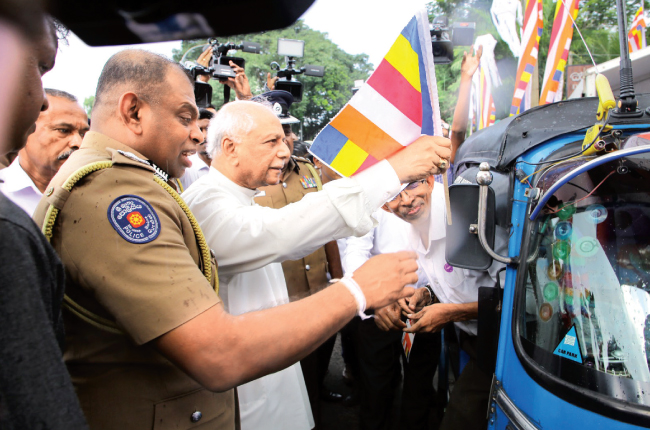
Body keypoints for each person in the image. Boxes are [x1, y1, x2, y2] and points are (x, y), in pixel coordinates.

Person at [33, 48, 428, 430]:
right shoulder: (135, 193)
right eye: (185, 116)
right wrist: (358, 289)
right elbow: (277, 235)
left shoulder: (169, 187)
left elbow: (288, 230)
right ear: (134, 111)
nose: (194, 133)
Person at [182, 98, 451, 430]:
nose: (285, 150)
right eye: (272, 141)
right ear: (230, 147)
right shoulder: (206, 200)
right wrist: (393, 173)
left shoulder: (239, 199)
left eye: (284, 139)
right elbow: (281, 231)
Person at [0, 9, 88, 429]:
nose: (40, 95)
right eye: (36, 64)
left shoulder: (86, 197)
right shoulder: (8, 229)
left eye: (83, 134)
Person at [379, 175, 503, 430]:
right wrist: (426, 294)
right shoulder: (406, 227)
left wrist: (451, 314)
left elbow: (517, 298)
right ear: (384, 207)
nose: (407, 200)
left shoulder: (470, 216)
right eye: (393, 195)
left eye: (412, 185)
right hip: (468, 343)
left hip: (503, 346)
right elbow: (450, 283)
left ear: (429, 182)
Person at [252, 90, 343, 425]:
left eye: (288, 130)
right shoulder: (251, 178)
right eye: (276, 132)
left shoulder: (308, 170)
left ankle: (318, 398)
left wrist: (337, 275)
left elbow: (326, 225)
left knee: (318, 361)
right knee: (287, 375)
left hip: (319, 288)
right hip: (280, 299)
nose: (286, 138)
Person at [0, 88, 88, 215]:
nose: (78, 143)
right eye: (64, 130)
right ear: (27, 130)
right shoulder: (3, 193)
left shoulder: (95, 195)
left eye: (83, 134)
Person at [177, 107, 213, 191]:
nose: (205, 136)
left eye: (208, 129)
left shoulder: (229, 165)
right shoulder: (185, 169)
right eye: (200, 130)